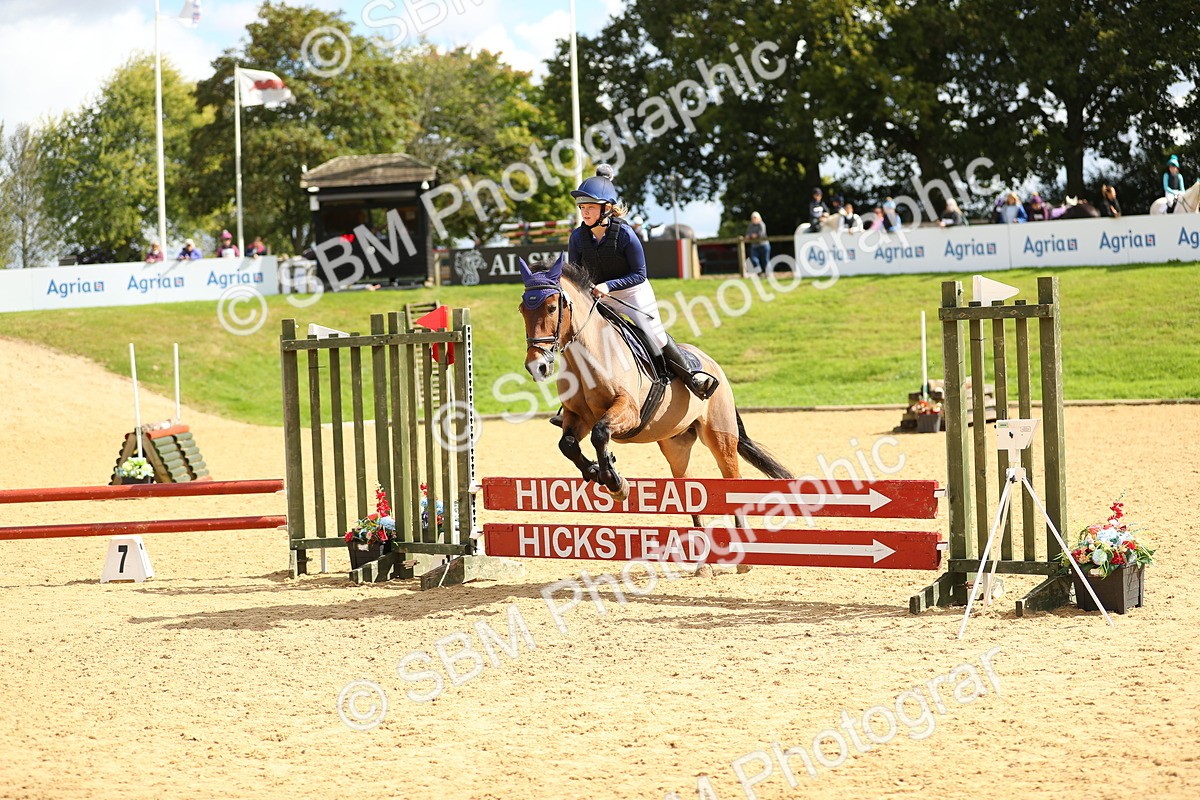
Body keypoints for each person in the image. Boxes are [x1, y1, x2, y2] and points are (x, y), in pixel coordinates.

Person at [568, 164, 717, 400]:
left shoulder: (625, 234)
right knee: (581, 336)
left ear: (607, 208)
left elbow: (639, 274)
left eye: (590, 208)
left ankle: (692, 376)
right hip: (598, 296)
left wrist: (608, 286)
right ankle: (573, 401)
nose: (584, 213)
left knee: (654, 332)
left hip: (631, 291)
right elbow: (576, 275)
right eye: (582, 207)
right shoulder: (577, 237)